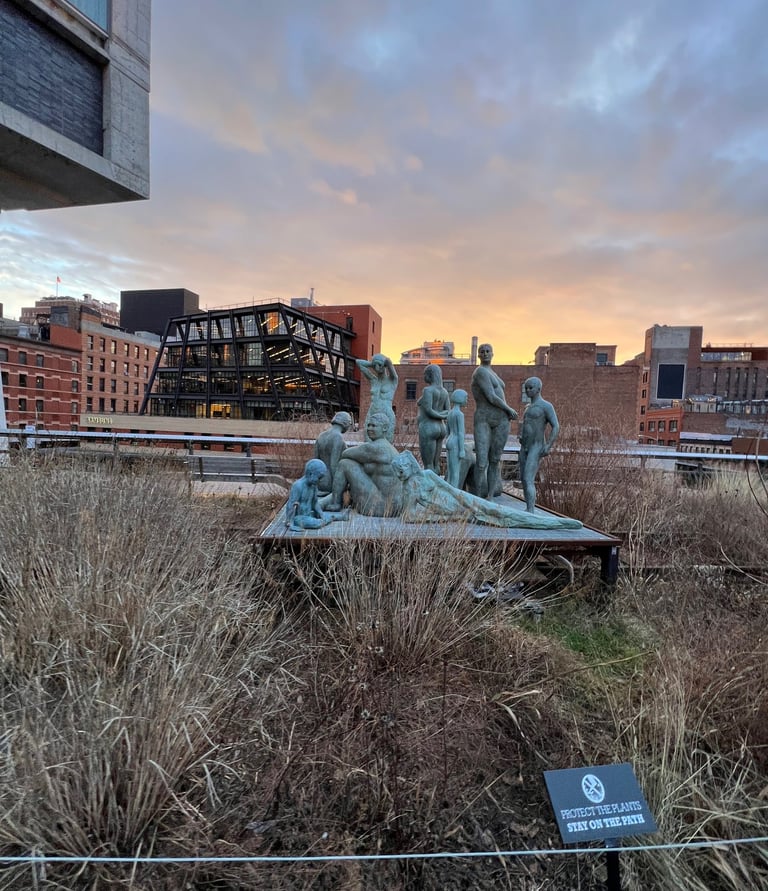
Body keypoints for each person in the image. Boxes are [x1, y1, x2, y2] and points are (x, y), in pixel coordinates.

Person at [391, 451, 581, 529]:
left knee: (498, 511)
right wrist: (449, 517)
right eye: (397, 472)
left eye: (402, 469)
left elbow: (449, 488)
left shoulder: (426, 475)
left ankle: (557, 523)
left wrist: (467, 501)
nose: (400, 474)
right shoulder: (409, 488)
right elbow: (409, 517)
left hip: (462, 500)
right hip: (456, 513)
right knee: (500, 520)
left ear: (410, 465)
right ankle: (554, 523)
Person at [324, 413, 402, 516]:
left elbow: (345, 453)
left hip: (380, 507)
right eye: (368, 425)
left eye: (373, 426)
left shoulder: (376, 448)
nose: (369, 428)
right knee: (355, 464)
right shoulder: (388, 447)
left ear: (384, 428)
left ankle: (335, 503)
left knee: (344, 464)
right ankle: (335, 499)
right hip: (393, 508)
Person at [471, 343, 517, 499]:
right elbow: (490, 396)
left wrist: (505, 412)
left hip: (501, 421)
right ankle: (476, 497)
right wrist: (508, 409)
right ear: (478, 355)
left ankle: (490, 496)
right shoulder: (480, 372)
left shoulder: (493, 372)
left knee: (495, 460)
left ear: (492, 353)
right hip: (484, 418)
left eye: (487, 351)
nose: (485, 354)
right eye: (482, 352)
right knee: (482, 461)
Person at [518, 377, 560, 514]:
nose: (528, 390)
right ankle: (527, 507)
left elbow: (555, 426)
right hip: (524, 446)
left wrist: (548, 446)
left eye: (531, 387)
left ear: (538, 389)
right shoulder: (527, 407)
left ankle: (531, 510)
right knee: (523, 478)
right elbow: (525, 425)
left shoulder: (546, 406)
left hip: (536, 446)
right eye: (526, 388)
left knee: (528, 478)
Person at [286, 459, 349, 531]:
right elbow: (291, 505)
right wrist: (290, 523)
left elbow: (315, 502)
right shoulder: (298, 486)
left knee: (324, 515)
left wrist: (321, 514)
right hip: (298, 517)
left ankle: (341, 517)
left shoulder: (313, 486)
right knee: (316, 523)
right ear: (311, 474)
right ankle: (326, 520)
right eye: (319, 478)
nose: (320, 480)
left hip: (309, 514)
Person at [417, 364, 450, 473]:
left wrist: (438, 415)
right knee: (436, 464)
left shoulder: (428, 390)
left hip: (428, 427)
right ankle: (437, 487)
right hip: (441, 428)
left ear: (430, 375)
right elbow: (448, 410)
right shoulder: (444, 392)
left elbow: (429, 410)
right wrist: (442, 416)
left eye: (425, 374)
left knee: (428, 465)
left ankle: (428, 488)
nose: (423, 377)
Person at [357, 354, 398, 442]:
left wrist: (383, 362)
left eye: (379, 365)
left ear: (384, 366)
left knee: (387, 441)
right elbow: (358, 362)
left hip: (386, 413)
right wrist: (372, 363)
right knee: (368, 440)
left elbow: (389, 361)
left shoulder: (392, 381)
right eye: (375, 366)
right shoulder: (373, 380)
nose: (377, 368)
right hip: (372, 411)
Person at [313, 411, 353, 495]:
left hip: (318, 480)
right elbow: (333, 465)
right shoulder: (338, 437)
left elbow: (314, 461)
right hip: (329, 482)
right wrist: (339, 487)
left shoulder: (321, 435)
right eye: (350, 423)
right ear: (345, 423)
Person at [445, 388, 474, 489]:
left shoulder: (450, 413)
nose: (467, 400)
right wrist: (462, 450)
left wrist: (448, 440)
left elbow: (447, 430)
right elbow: (461, 433)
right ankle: (453, 494)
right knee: (455, 472)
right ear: (460, 399)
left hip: (449, 441)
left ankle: (448, 492)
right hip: (456, 442)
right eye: (466, 398)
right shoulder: (459, 414)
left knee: (450, 471)